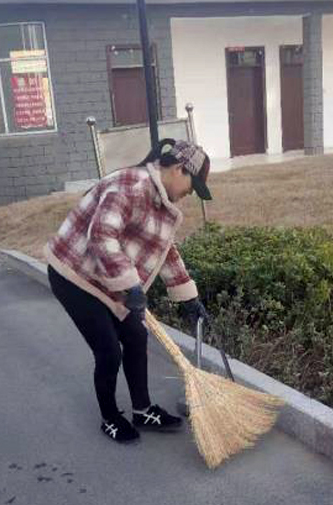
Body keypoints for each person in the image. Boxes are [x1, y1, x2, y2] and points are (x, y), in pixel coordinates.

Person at [43, 138, 211, 444]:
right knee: (109, 351)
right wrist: (130, 285)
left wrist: (189, 297)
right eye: (192, 185)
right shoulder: (131, 186)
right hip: (75, 274)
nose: (190, 193)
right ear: (178, 168)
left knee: (136, 336)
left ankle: (142, 410)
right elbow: (102, 235)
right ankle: (110, 417)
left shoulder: (160, 200)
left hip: (107, 275)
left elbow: (165, 250)